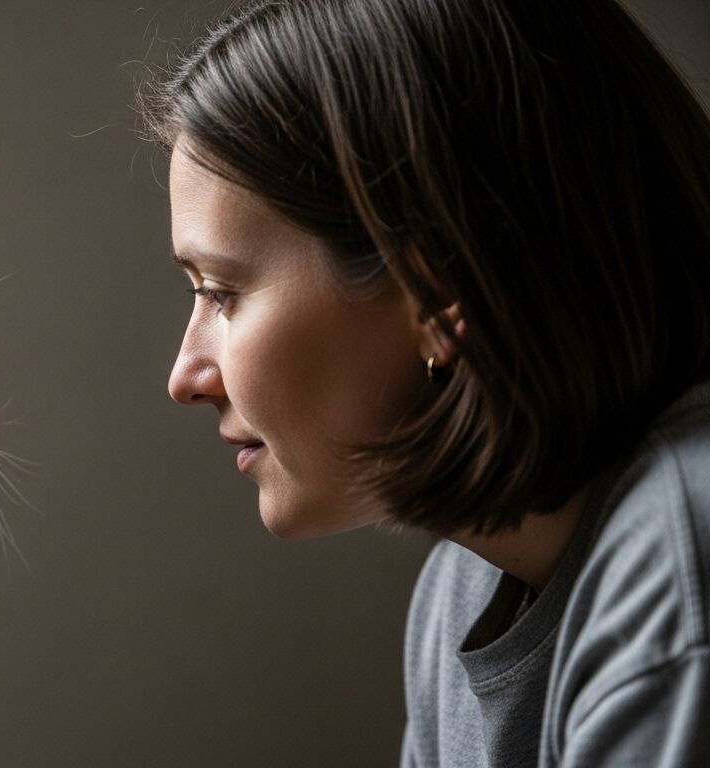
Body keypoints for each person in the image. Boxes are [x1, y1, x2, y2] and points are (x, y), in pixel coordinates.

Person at [145, 0, 710, 765]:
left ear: (439, 294)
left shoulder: (679, 573)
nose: (185, 377)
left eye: (221, 292)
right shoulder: (461, 597)